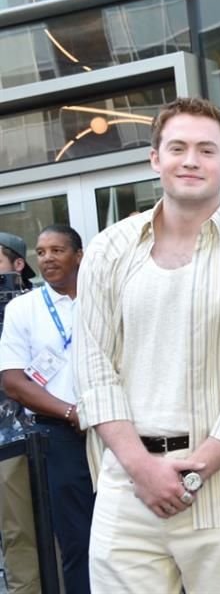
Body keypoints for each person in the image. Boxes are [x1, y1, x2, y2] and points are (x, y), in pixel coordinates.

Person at [73, 97, 220, 593]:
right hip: (125, 494)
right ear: (155, 159)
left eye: (206, 150)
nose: (190, 160)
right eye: (177, 147)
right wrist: (141, 469)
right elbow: (93, 367)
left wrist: (189, 476)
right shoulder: (110, 249)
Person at [0, 225, 94, 594]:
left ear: (79, 255)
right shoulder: (25, 308)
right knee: (77, 540)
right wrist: (72, 413)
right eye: (41, 252)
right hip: (60, 435)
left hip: (117, 431)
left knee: (134, 535)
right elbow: (14, 381)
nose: (48, 258)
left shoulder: (103, 298)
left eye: (57, 250)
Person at [0, 232, 41, 594]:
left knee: (63, 523)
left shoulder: (41, 305)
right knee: (17, 532)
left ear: (17, 265)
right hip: (6, 437)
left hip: (53, 428)